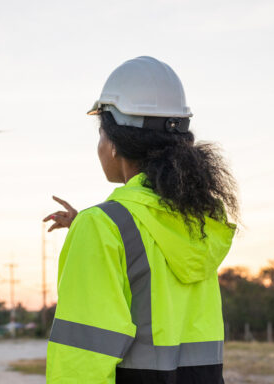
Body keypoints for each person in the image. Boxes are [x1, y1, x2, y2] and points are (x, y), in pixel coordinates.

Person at [44, 56, 238, 384]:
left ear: (116, 146)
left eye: (101, 135)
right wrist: (90, 226)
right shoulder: (199, 222)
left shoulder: (105, 227)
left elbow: (83, 360)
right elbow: (151, 271)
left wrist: (93, 229)